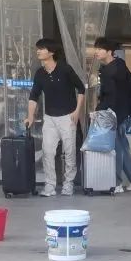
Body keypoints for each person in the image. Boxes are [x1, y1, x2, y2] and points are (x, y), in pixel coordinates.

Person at [25, 37, 85, 197]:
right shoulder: (40, 73)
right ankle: (50, 186)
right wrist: (30, 116)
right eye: (38, 49)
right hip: (50, 118)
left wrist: (77, 111)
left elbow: (81, 89)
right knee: (47, 151)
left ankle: (68, 184)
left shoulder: (65, 69)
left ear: (51, 52)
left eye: (42, 48)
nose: (38, 51)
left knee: (69, 152)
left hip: (68, 117)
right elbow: (34, 96)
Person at [93, 37, 131, 193]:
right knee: (121, 145)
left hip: (113, 113)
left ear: (109, 52)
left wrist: (99, 111)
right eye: (96, 49)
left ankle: (116, 183)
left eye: (100, 49)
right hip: (123, 112)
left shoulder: (109, 71)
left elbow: (110, 96)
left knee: (116, 148)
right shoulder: (120, 66)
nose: (96, 52)